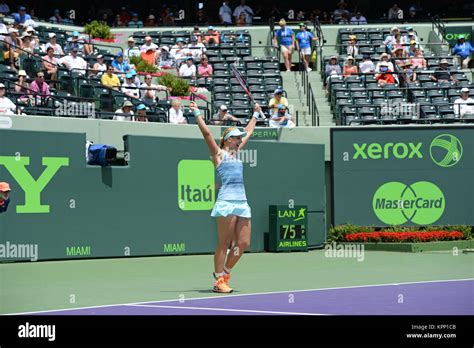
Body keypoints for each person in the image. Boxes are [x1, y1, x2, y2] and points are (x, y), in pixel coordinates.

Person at [191, 100, 258, 293]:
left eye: (240, 139)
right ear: (228, 139)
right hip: (226, 202)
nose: (240, 140)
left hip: (242, 203)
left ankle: (226, 273)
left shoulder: (237, 152)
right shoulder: (219, 154)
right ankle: (218, 279)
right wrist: (197, 114)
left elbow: (249, 131)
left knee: (243, 242)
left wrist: (255, 114)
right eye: (236, 138)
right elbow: (207, 134)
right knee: (224, 243)